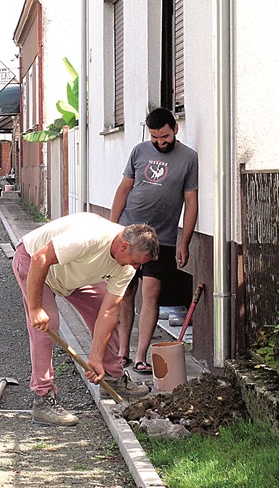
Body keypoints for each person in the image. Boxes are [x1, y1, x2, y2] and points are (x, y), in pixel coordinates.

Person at [12, 213, 159, 426]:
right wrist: (35, 308)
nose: (135, 268)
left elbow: (108, 312)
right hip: (34, 263)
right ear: (124, 247)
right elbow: (40, 258)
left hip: (74, 274)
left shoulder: (126, 266)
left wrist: (96, 358)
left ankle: (111, 377)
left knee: (104, 309)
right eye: (136, 262)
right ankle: (43, 399)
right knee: (47, 325)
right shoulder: (90, 236)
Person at [110, 107, 199, 374]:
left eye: (165, 136)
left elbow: (191, 202)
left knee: (151, 294)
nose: (160, 142)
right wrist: (111, 228)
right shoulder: (139, 151)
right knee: (125, 293)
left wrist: (185, 241)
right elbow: (124, 188)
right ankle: (122, 351)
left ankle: (140, 356)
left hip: (163, 239)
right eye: (155, 137)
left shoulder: (189, 158)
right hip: (129, 233)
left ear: (175, 129)